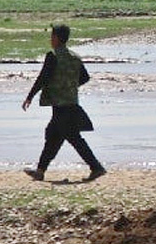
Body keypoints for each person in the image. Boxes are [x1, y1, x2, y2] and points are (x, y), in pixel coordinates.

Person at [22, 23, 106, 182]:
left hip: (60, 104)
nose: (50, 39)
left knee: (72, 138)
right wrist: (70, 86)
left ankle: (96, 167)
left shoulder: (52, 56)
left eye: (52, 36)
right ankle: (40, 171)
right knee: (54, 136)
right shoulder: (75, 57)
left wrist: (30, 96)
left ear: (56, 38)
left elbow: (43, 78)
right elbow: (85, 78)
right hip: (71, 103)